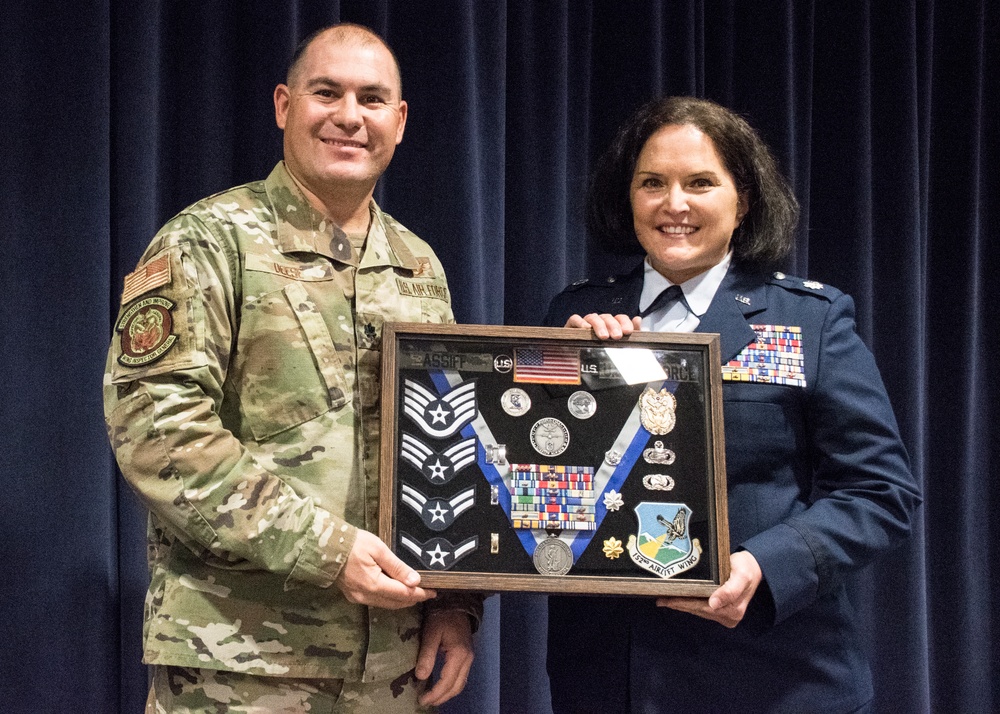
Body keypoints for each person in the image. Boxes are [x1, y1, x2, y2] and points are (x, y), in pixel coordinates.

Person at [104, 23, 478, 713]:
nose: (348, 116)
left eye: (371, 99)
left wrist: (455, 603)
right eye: (325, 92)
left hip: (391, 669)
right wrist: (329, 551)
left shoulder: (419, 264)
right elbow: (158, 434)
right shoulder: (209, 241)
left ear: (398, 121)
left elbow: (445, 446)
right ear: (284, 106)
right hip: (239, 664)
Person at [544, 96, 921, 713]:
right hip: (612, 681)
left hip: (773, 677)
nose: (675, 205)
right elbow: (543, 482)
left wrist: (763, 566)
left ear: (742, 199)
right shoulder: (574, 316)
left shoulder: (810, 321)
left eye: (700, 183)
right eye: (652, 183)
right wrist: (571, 375)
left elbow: (881, 492)